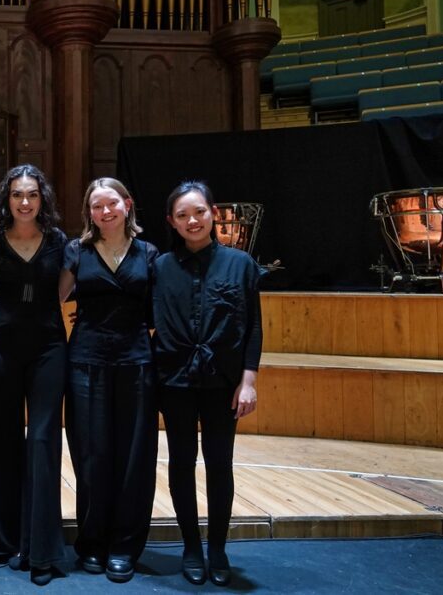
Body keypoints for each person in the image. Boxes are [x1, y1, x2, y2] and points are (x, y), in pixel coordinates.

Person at [153, 180, 261, 587]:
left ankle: (217, 547)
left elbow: (254, 326)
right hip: (175, 382)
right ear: (172, 222)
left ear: (213, 213)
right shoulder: (160, 267)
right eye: (182, 215)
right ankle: (191, 547)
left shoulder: (241, 264)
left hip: (223, 383)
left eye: (198, 212)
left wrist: (248, 381)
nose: (192, 220)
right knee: (181, 464)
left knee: (220, 464)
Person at [58, 177, 159, 583]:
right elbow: (56, 299)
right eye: (96, 207)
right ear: (89, 212)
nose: (105, 212)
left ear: (127, 204)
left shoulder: (148, 253)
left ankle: (125, 545)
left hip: (136, 361)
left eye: (111, 204)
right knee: (91, 454)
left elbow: (158, 311)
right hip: (86, 360)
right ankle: (92, 542)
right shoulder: (75, 251)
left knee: (133, 455)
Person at [0, 165, 68, 586]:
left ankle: (41, 548)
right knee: (0, 437)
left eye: (32, 195)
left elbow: (63, 290)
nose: (25, 202)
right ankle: (0, 540)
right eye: (17, 195)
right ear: (6, 200)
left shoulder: (60, 242)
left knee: (44, 440)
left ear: (42, 198)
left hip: (48, 346)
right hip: (0, 345)